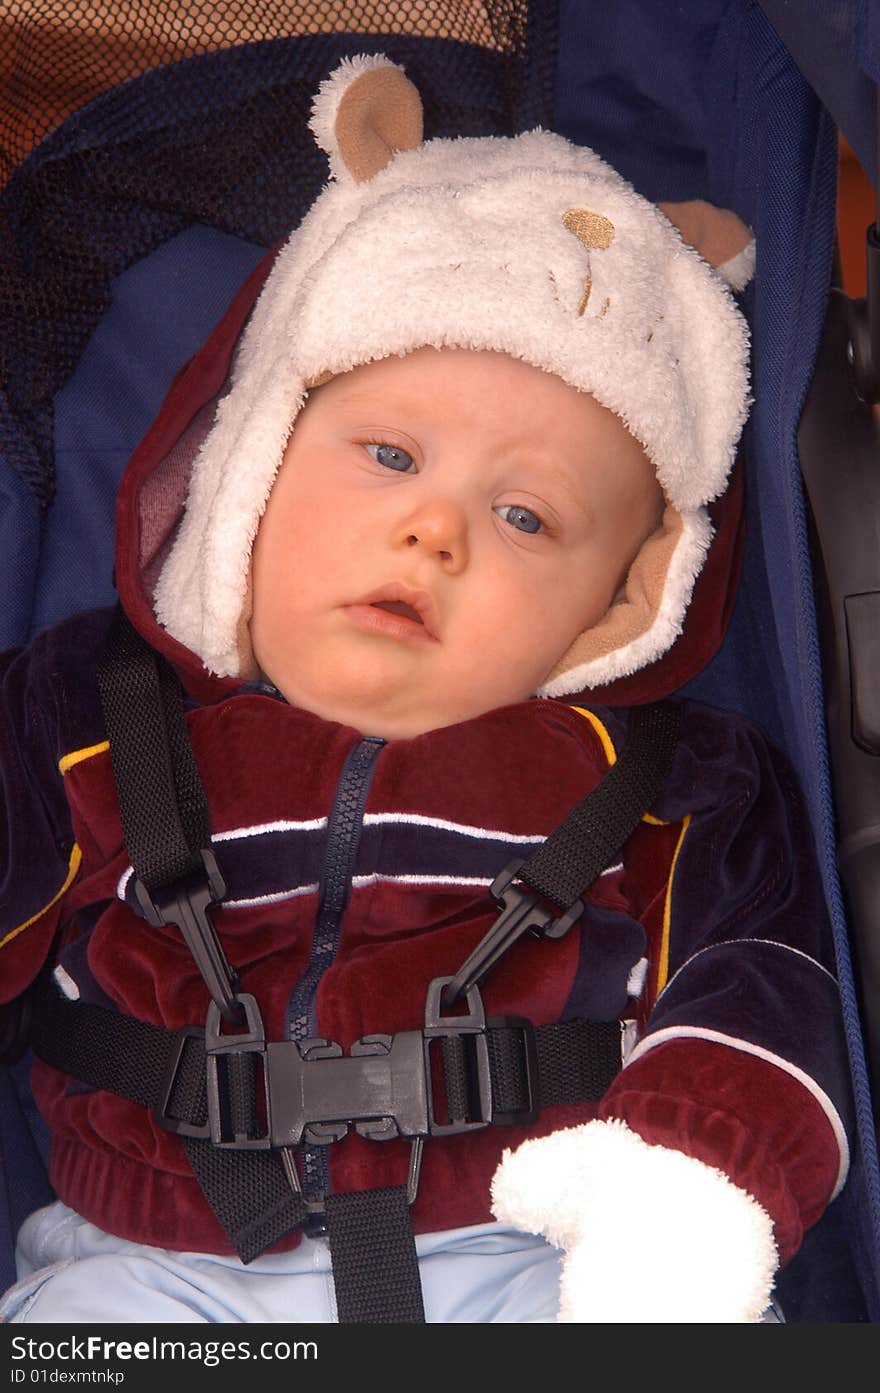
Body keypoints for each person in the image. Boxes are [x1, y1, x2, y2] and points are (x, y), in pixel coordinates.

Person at [0, 54, 853, 1324]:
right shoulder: (82, 715)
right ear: (253, 464)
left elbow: (766, 989)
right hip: (154, 1269)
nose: (434, 533)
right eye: (388, 455)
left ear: (620, 601)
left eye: (523, 516)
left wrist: (683, 1190)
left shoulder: (677, 785)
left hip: (543, 1252)